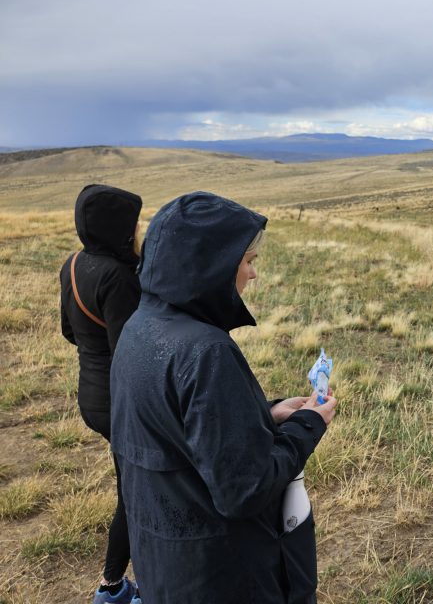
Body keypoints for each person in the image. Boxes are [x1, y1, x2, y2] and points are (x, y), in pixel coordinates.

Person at [110, 191, 337, 604]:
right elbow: (245, 489)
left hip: (163, 560)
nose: (253, 274)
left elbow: (178, 433)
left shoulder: (140, 327)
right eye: (248, 261)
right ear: (212, 265)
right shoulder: (206, 351)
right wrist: (309, 424)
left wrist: (265, 415)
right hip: (220, 573)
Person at [59, 184, 144, 604]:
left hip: (91, 396)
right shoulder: (118, 277)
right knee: (137, 494)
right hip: (120, 404)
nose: (139, 231)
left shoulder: (73, 264)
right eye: (134, 224)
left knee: (132, 487)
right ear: (118, 228)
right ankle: (113, 588)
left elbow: (69, 331)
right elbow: (130, 353)